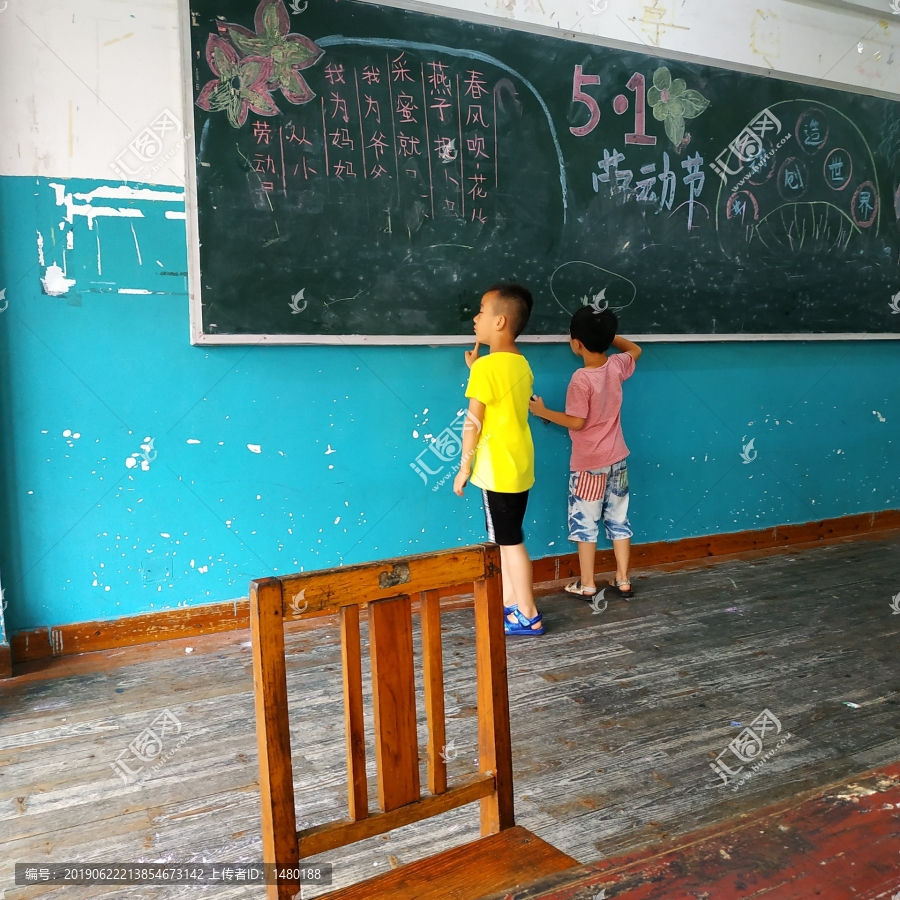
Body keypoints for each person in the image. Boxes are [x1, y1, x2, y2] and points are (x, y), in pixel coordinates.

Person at [529, 306, 641, 600]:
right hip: (618, 459)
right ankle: (623, 578)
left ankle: (588, 583)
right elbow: (635, 349)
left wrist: (543, 412)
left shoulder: (581, 378)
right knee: (619, 519)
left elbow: (577, 421)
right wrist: (606, 334)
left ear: (576, 343)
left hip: (589, 465)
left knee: (586, 523)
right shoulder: (616, 365)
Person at [453, 283, 544, 636]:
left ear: (500, 321)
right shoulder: (520, 364)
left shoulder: (487, 369)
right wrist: (478, 369)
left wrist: (463, 468)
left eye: (480, 311)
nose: (475, 318)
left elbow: (473, 422)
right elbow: (502, 400)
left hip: (495, 469)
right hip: (519, 463)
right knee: (507, 536)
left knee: (509, 541)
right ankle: (510, 606)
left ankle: (529, 613)